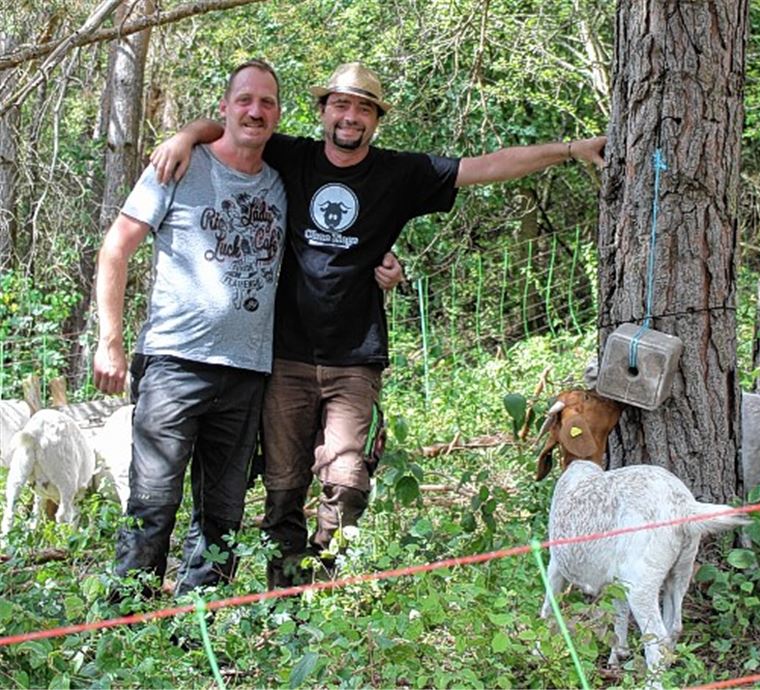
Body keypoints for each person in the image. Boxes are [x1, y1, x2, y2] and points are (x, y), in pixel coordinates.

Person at [152, 61, 606, 588]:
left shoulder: (398, 173)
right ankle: (284, 595)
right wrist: (186, 136)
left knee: (348, 484)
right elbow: (236, 125)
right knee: (282, 488)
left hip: (354, 360)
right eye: (341, 105)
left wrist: (571, 149)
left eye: (364, 109)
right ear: (323, 111)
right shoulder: (290, 156)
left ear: (376, 119)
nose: (351, 117)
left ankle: (323, 583)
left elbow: (487, 166)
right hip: (285, 356)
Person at [93, 59, 288, 599]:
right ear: (224, 107)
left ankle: (193, 627)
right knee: (152, 502)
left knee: (222, 516)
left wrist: (381, 259)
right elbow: (116, 248)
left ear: (277, 114)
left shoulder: (282, 182)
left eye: (267, 102)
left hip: (247, 372)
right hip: (173, 363)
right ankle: (126, 622)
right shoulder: (178, 166)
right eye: (244, 99)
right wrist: (110, 340)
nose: (255, 111)